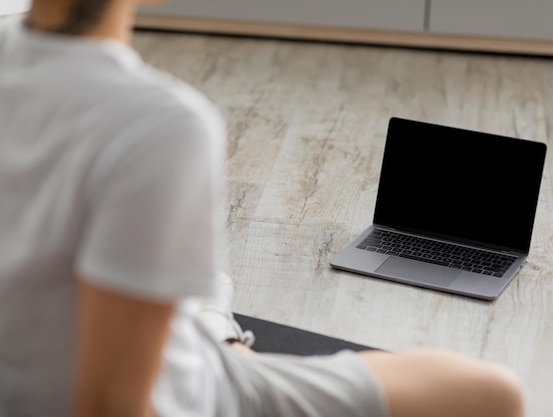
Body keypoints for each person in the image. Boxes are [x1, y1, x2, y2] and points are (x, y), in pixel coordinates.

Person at [0, 1, 526, 416]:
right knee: (492, 394)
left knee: (208, 285)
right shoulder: (161, 123)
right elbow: (110, 408)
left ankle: (218, 334)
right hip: (198, 396)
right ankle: (224, 345)